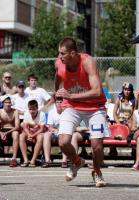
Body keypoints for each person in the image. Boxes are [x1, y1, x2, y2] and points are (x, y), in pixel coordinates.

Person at [55, 37, 109, 187]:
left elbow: (97, 91)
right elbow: (57, 77)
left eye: (62, 53)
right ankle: (77, 162)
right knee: (63, 142)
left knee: (96, 145)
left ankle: (96, 171)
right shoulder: (60, 64)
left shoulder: (87, 62)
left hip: (94, 106)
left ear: (72, 53)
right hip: (72, 106)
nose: (60, 56)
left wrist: (71, 95)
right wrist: (57, 98)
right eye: (59, 53)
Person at [0, 95, 20, 167]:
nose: (8, 104)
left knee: (16, 134)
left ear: (11, 103)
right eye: (6, 102)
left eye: (9, 102)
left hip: (11, 130)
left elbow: (17, 126)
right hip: (1, 130)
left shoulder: (15, 111)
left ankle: (14, 158)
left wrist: (7, 132)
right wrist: (1, 133)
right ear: (3, 103)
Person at [19, 100, 45, 167]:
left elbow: (41, 129)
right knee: (21, 136)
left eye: (34, 109)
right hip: (29, 132)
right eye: (30, 109)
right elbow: (24, 127)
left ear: (37, 109)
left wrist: (32, 135)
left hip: (37, 132)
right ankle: (26, 160)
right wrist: (29, 134)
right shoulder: (26, 113)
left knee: (41, 137)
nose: (32, 111)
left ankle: (33, 160)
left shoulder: (42, 114)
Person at [42, 96, 63, 168]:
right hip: (55, 132)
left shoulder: (67, 112)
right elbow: (50, 127)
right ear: (55, 103)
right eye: (57, 102)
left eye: (61, 102)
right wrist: (55, 130)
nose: (59, 104)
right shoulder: (51, 112)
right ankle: (47, 160)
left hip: (64, 133)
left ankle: (64, 161)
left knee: (64, 135)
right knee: (46, 135)